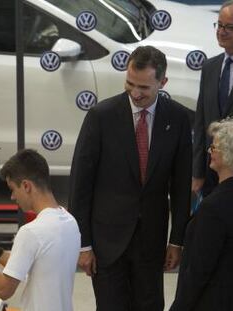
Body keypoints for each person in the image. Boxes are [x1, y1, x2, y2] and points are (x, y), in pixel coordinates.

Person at [69, 46, 192, 311]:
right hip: (107, 243)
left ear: (163, 82)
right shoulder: (101, 117)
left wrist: (177, 240)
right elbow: (81, 184)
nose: (136, 94)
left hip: (151, 243)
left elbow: (181, 186)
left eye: (144, 88)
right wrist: (83, 244)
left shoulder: (179, 119)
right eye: (130, 84)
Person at [0, 149, 80, 311]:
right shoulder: (69, 221)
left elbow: (4, 289)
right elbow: (32, 265)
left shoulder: (31, 232)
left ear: (26, 186)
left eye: (12, 189)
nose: (12, 197)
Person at [170, 119, 233, 311]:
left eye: (214, 147)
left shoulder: (214, 207)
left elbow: (199, 270)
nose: (209, 152)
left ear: (228, 154)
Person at [192, 0, 233, 197]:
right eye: (219, 24)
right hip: (210, 174)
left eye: (229, 27)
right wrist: (198, 172)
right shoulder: (209, 67)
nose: (221, 31)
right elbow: (200, 123)